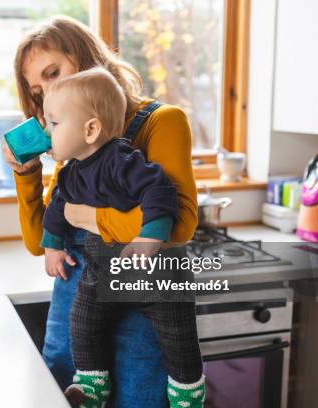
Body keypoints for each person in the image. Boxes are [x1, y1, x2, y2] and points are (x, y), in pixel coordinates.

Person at [4, 16, 198, 407]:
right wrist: (26, 175)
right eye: (38, 89)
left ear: (88, 59)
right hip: (78, 302)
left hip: (142, 298)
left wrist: (88, 217)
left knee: (138, 397)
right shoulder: (72, 140)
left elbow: (178, 227)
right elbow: (38, 243)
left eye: (54, 73)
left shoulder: (161, 122)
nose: (48, 94)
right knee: (62, 394)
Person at [40, 67, 204, 408]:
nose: (46, 132)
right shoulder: (70, 173)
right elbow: (56, 209)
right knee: (82, 321)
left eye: (53, 124)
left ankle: (188, 393)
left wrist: (149, 237)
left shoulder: (122, 161)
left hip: (158, 278)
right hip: (105, 277)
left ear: (91, 129)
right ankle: (91, 383)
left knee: (179, 338)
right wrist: (52, 247)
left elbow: (161, 193)